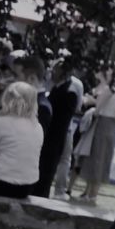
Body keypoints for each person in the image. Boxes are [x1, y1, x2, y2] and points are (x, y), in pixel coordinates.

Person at [71, 67, 115, 206]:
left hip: (102, 124)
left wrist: (95, 107)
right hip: (113, 126)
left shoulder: (110, 89)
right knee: (103, 159)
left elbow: (98, 109)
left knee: (96, 158)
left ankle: (91, 194)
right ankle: (92, 194)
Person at [37, 60, 85, 198]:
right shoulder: (58, 88)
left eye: (56, 70)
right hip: (49, 135)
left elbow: (62, 119)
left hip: (55, 136)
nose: (53, 72)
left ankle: (56, 191)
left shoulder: (69, 92)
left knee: (52, 166)